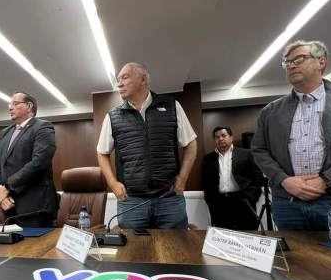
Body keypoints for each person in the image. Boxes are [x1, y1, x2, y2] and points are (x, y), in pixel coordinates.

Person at [252, 40, 331, 232]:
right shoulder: (271, 111)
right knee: (295, 260)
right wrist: (284, 180)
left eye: (299, 59)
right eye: (287, 63)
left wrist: (325, 180)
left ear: (321, 62)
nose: (291, 65)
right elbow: (259, 150)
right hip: (288, 202)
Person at [97, 62, 197, 229]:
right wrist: (113, 183)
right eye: (118, 79)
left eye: (125, 77)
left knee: (174, 252)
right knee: (133, 253)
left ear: (142, 80)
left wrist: (183, 178)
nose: (119, 83)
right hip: (131, 202)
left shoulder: (172, 106)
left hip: (169, 199)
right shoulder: (113, 116)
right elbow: (101, 153)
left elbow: (191, 143)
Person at [0, 92, 58, 228]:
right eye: (9, 104)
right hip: (8, 205)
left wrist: (7, 187)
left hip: (34, 207)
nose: (10, 107)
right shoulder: (5, 132)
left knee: (35, 249)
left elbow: (38, 163)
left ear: (29, 106)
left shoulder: (43, 127)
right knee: (10, 248)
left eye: (15, 104)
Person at [202, 126, 263, 230]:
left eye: (223, 135)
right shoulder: (208, 159)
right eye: (217, 137)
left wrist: (253, 196)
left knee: (248, 234)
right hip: (220, 204)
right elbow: (205, 183)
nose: (220, 139)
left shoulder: (246, 154)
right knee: (224, 237)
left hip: (243, 201)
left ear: (231, 137)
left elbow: (257, 176)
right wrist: (211, 202)